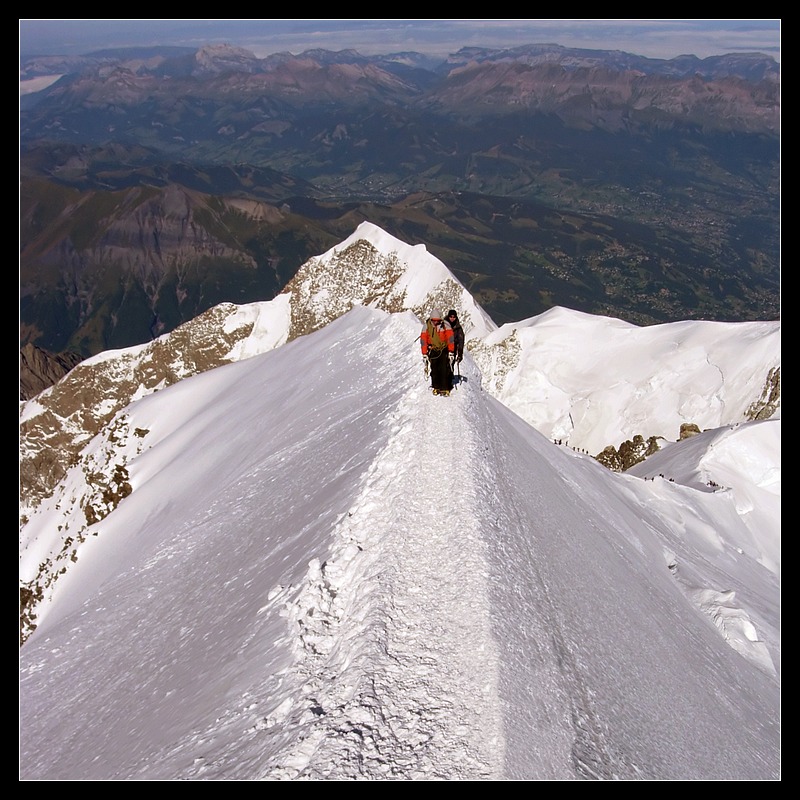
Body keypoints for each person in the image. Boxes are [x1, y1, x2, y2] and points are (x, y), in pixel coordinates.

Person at [420, 309, 454, 395]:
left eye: (437, 321)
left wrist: (451, 351)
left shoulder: (445, 325)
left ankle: (444, 387)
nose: (435, 322)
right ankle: (436, 386)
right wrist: (424, 354)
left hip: (443, 349)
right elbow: (424, 341)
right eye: (434, 320)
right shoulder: (426, 327)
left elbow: (450, 339)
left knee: (444, 368)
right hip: (433, 349)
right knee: (434, 369)